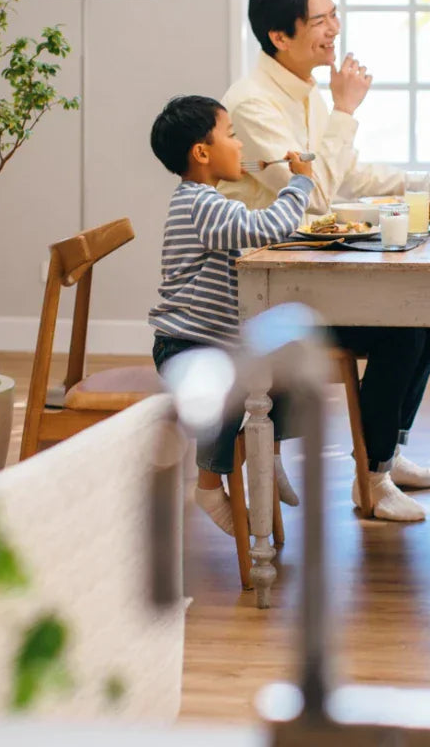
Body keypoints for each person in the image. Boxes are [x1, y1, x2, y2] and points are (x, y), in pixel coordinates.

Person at [221, 0, 430, 522]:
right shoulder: (253, 105)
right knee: (403, 331)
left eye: (334, 16)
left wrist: (425, 183)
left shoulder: (302, 93)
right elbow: (316, 195)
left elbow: (342, 173)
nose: (334, 30)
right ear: (281, 36)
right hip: (269, 293)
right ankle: (369, 482)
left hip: (311, 273)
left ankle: (386, 454)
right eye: (321, 20)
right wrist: (346, 110)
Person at [147, 95, 315, 536]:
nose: (240, 147)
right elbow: (265, 226)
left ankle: (270, 453)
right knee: (232, 381)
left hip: (210, 340)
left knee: (293, 363)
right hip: (186, 347)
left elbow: (246, 225)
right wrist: (300, 184)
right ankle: (207, 483)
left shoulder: (207, 201)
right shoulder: (201, 204)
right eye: (232, 136)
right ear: (202, 153)